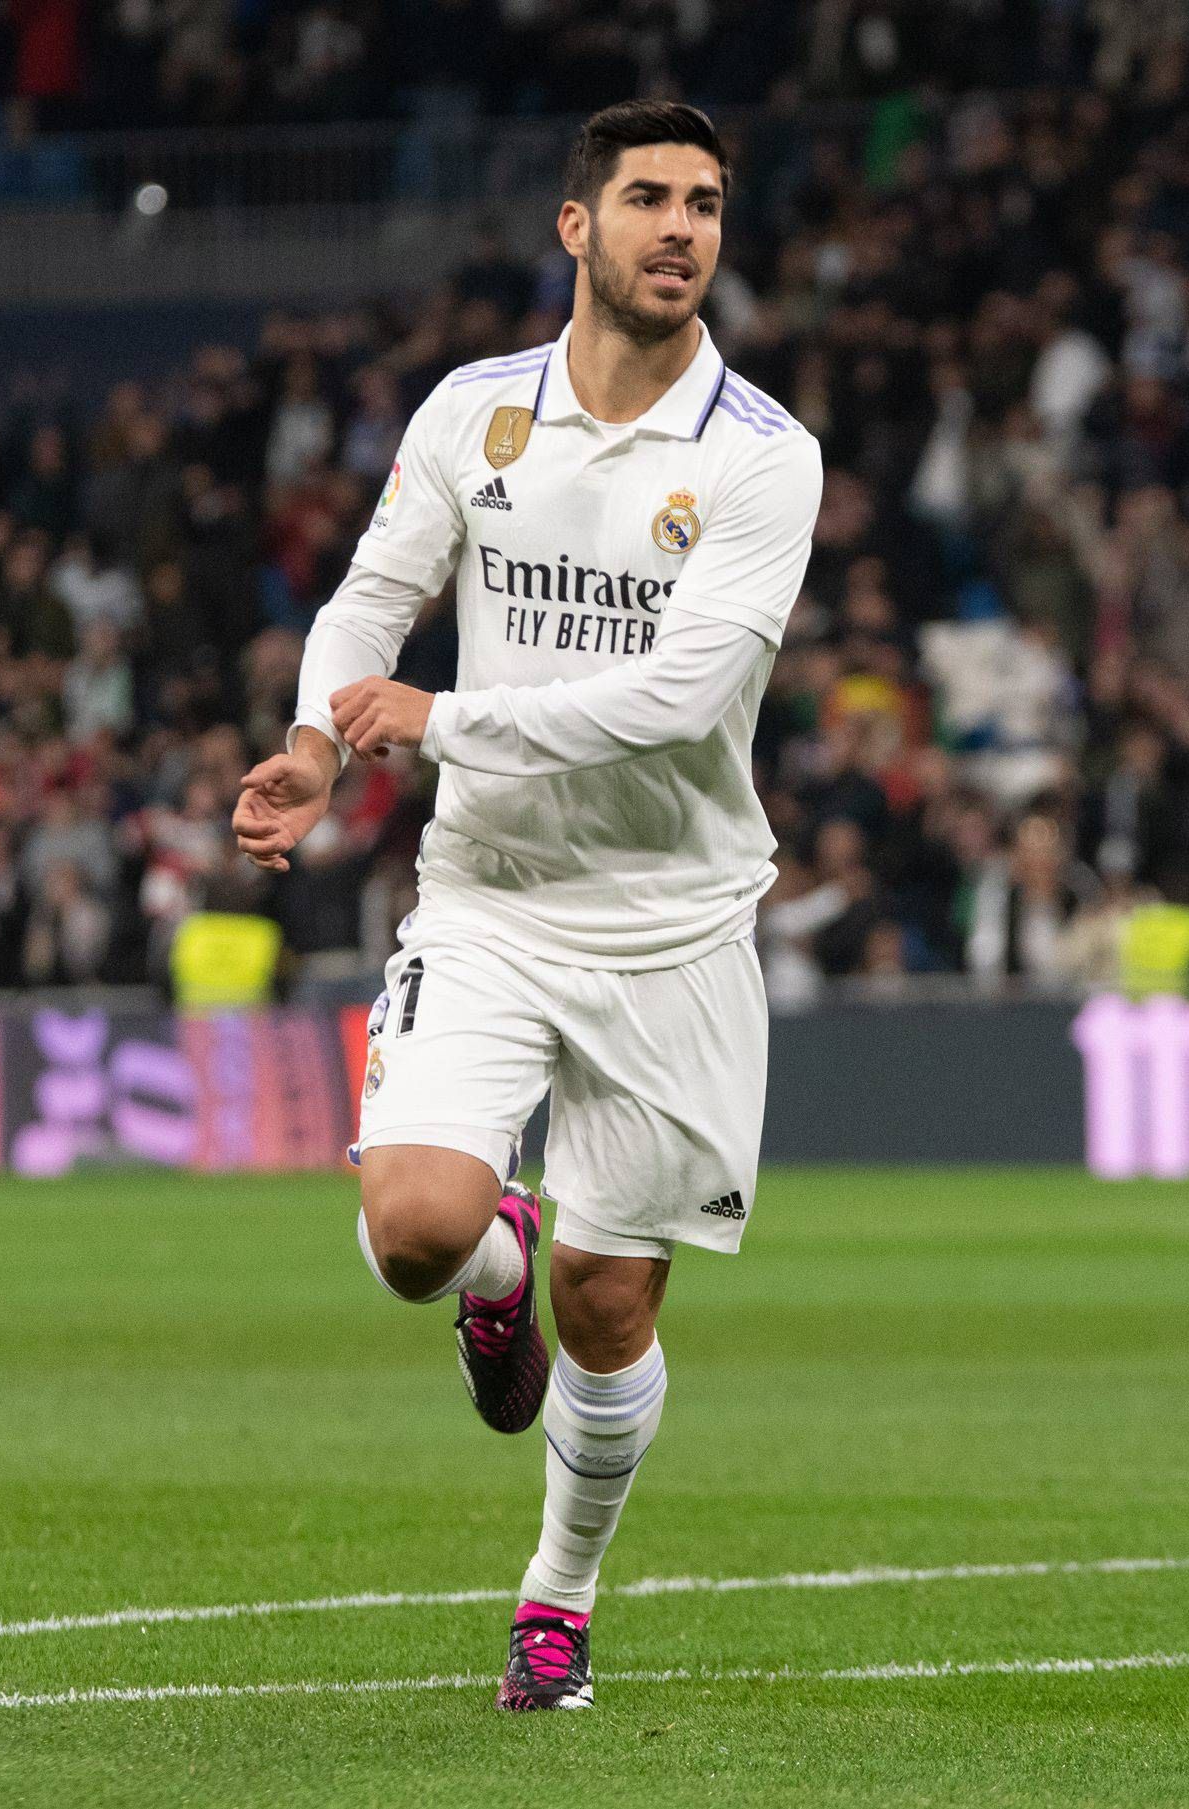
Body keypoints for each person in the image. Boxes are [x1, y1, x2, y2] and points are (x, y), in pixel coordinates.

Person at [230, 101, 820, 1714]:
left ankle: (557, 1590)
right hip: (486, 898)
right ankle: (497, 1262)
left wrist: (431, 725)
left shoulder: (766, 458)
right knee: (417, 1230)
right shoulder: (471, 413)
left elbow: (680, 702)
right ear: (578, 227)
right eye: (646, 199)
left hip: (672, 928)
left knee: (612, 1305)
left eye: (703, 203)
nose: (679, 228)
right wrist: (311, 738)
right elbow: (368, 595)